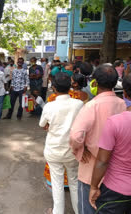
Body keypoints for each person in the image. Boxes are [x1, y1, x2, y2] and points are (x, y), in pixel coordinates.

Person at [70, 65, 126, 214]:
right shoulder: (122, 105)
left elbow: (75, 136)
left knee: (87, 208)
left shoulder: (91, 106)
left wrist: (81, 150)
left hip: (91, 170)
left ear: (94, 82)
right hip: (114, 172)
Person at [39, 72, 83, 214]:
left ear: (53, 88)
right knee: (74, 182)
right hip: (72, 150)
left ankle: (57, 212)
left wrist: (49, 125)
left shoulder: (49, 106)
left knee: (57, 184)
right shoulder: (79, 104)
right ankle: (78, 211)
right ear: (70, 86)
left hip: (54, 150)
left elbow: (42, 124)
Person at [89, 74, 131, 213]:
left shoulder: (115, 122)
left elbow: (102, 161)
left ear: (124, 93)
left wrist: (94, 187)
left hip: (115, 191)